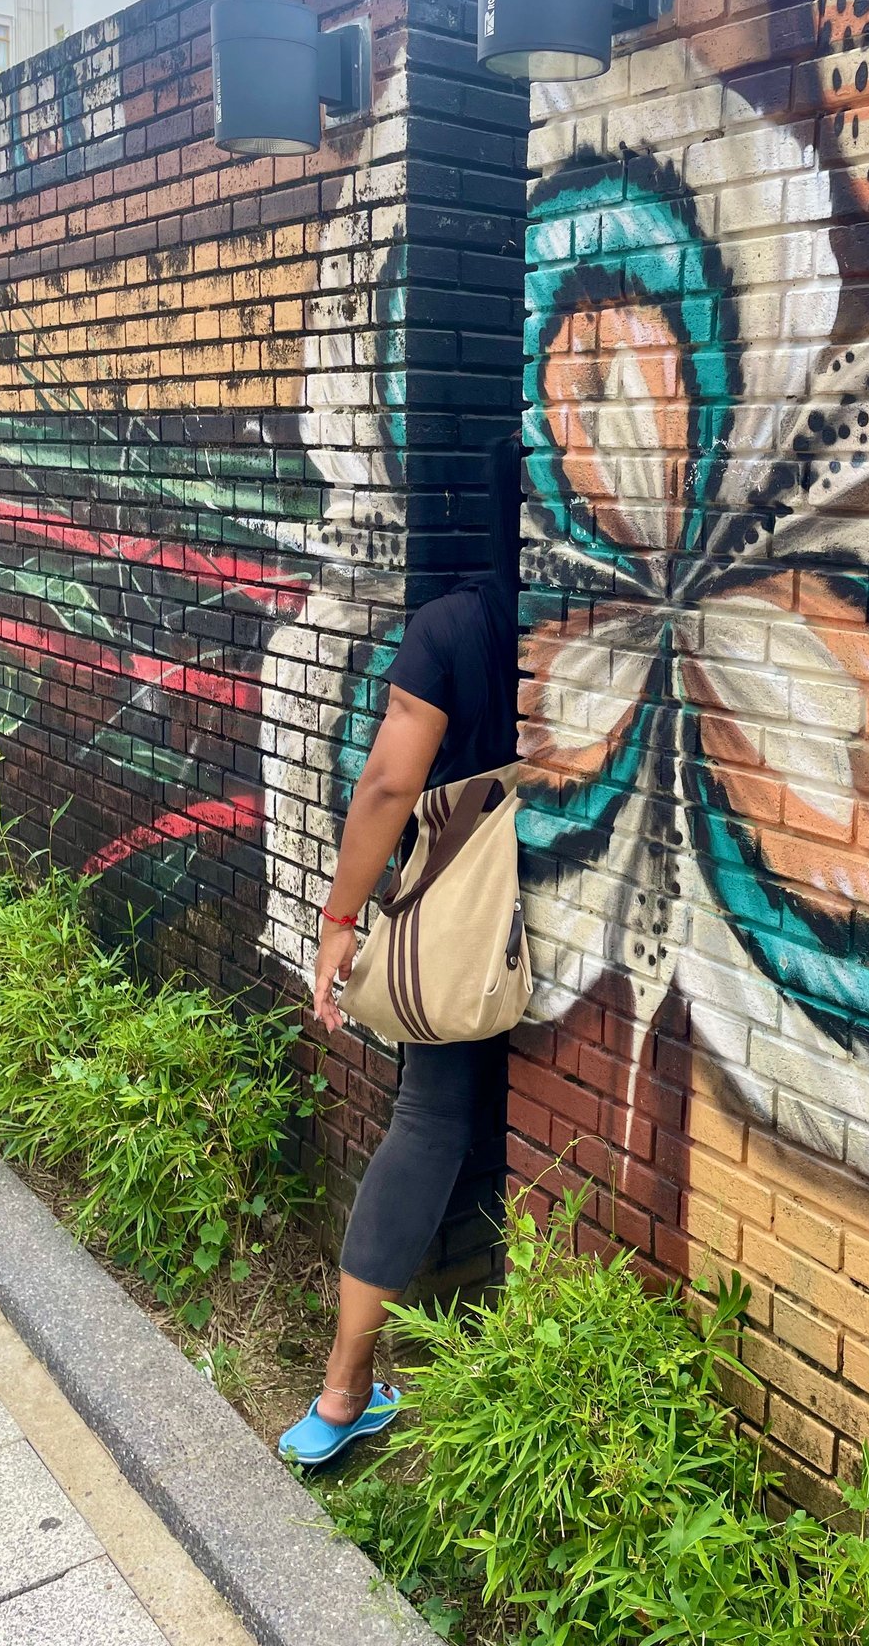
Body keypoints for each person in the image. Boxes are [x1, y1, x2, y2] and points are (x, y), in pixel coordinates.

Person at [278, 433, 522, 1467]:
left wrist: (339, 918)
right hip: (584, 926)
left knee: (430, 1121)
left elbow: (387, 782)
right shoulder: (587, 625)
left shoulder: (455, 627)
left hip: (471, 927)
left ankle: (344, 1392)